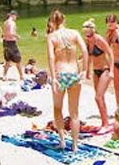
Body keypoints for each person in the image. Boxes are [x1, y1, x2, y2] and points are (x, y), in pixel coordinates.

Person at [46, 10, 88, 151]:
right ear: (64, 20)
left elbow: (51, 58)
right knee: (74, 113)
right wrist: (84, 70)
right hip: (74, 74)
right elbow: (85, 51)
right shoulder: (74, 33)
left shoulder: (52, 37)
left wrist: (52, 77)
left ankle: (63, 140)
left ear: (52, 22)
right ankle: (75, 145)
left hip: (60, 74)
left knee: (57, 108)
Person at [82, 19, 114, 129]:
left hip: (105, 70)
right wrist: (87, 71)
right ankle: (105, 122)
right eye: (85, 31)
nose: (86, 33)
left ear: (92, 30)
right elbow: (90, 56)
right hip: (95, 71)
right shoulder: (88, 40)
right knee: (100, 98)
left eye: (87, 30)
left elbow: (110, 53)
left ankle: (105, 123)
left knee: (98, 97)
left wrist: (112, 71)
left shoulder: (99, 40)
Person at [2, 11, 24, 81]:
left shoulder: (5, 22)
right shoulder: (12, 23)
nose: (16, 18)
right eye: (16, 16)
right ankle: (21, 76)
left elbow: (4, 32)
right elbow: (11, 32)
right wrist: (17, 36)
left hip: (5, 42)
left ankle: (4, 76)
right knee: (18, 60)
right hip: (11, 43)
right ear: (13, 15)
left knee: (8, 60)